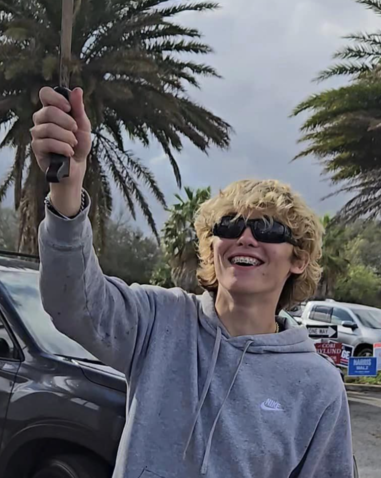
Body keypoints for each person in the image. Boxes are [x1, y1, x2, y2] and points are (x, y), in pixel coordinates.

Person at [32, 86, 355, 478]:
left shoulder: (318, 385)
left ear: (299, 260)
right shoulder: (159, 320)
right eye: (230, 225)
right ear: (212, 244)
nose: (246, 237)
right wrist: (67, 184)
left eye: (268, 228)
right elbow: (73, 304)